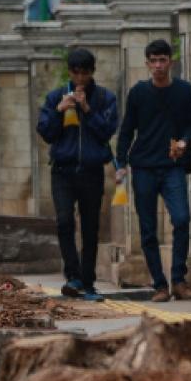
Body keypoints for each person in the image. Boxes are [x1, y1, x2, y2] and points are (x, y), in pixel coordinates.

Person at [115, 39, 191, 302]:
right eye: (153, 61)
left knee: (182, 219)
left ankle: (178, 279)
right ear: (147, 64)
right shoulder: (138, 93)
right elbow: (127, 129)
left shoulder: (184, 90)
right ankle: (159, 285)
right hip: (143, 167)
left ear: (170, 62)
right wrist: (120, 164)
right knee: (148, 228)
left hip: (173, 165)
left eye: (163, 60)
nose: (158, 66)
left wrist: (185, 141)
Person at [37, 48, 117, 302]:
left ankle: (88, 281)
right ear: (70, 72)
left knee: (91, 227)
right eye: (76, 73)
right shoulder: (54, 97)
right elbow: (46, 133)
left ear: (92, 72)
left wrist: (87, 109)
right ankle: (73, 276)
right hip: (62, 170)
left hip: (92, 170)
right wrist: (60, 110)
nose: (80, 78)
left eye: (85, 73)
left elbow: (106, 131)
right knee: (64, 221)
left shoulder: (105, 97)